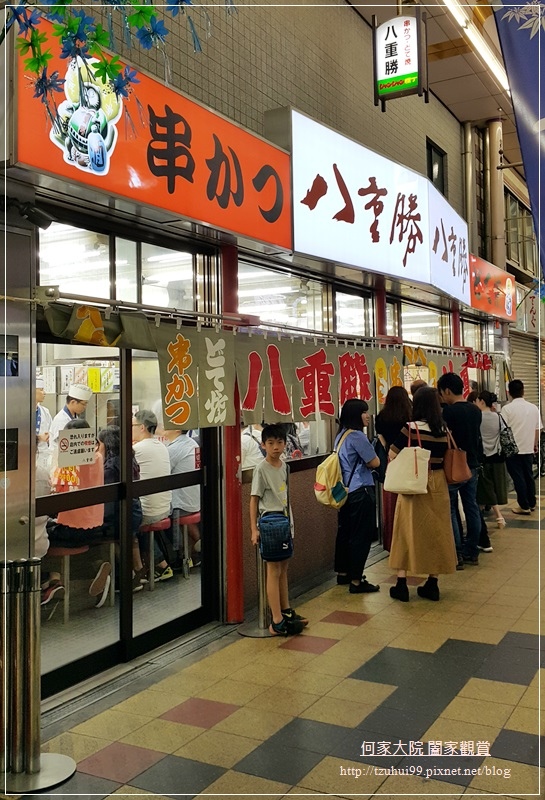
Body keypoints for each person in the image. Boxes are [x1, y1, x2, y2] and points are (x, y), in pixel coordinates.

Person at [389, 387, 456, 602]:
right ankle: (432, 583)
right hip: (437, 483)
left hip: (413, 483)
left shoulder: (410, 429)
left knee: (405, 530)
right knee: (437, 531)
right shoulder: (443, 430)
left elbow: (392, 455)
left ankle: (401, 584)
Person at [44, 419, 111, 609]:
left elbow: (57, 490)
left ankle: (55, 581)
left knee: (38, 538)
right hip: (96, 524)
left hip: (72, 528)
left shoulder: (70, 461)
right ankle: (95, 566)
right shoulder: (97, 457)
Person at [250, 423, 307, 636]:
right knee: (273, 570)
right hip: (269, 522)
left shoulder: (284, 466)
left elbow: (286, 496)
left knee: (283, 568)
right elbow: (253, 500)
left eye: (280, 442)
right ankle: (276, 620)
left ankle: (286, 610)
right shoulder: (261, 469)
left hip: (284, 521)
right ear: (263, 445)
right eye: (271, 443)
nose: (276, 447)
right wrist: (253, 529)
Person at [334, 399, 380, 593]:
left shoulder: (341, 435)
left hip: (345, 492)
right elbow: (375, 462)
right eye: (364, 412)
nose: (367, 415)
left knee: (345, 533)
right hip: (361, 490)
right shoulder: (358, 437)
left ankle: (343, 573)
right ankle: (356, 581)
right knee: (361, 536)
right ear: (355, 415)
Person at [437, 372, 483, 567]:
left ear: (447, 390)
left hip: (454, 466)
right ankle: (472, 550)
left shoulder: (448, 413)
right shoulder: (475, 410)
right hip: (472, 464)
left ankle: (457, 553)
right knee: (472, 506)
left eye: (441, 392)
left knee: (451, 510)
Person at [97, 426, 146, 591]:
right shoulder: (128, 458)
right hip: (135, 511)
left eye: (99, 443)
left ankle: (126, 575)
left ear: (106, 445)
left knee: (106, 535)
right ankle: (138, 571)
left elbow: (109, 505)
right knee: (129, 536)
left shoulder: (110, 467)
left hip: (122, 514)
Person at [132, 409, 173, 581]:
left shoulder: (137, 449)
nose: (131, 428)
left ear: (142, 427)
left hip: (149, 512)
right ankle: (158, 566)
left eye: (133, 425)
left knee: (129, 523)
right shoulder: (162, 446)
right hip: (166, 507)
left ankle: (152, 567)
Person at [375, 386, 412, 552]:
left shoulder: (382, 416)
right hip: (410, 462)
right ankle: (409, 541)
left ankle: (392, 542)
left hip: (392, 460)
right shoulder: (410, 415)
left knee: (391, 502)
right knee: (409, 502)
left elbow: (381, 440)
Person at [500, 379, 542, 514]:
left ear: (509, 393)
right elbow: (537, 429)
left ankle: (524, 506)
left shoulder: (506, 409)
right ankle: (532, 503)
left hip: (512, 449)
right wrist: (535, 444)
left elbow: (502, 429)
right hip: (529, 447)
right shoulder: (533, 407)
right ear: (523, 391)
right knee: (528, 476)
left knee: (518, 477)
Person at [163, 428, 202, 568]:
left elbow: (163, 471)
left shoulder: (175, 448)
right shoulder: (192, 443)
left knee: (163, 516)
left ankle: (182, 556)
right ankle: (193, 553)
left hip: (182, 502)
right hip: (195, 498)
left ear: (177, 429)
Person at [475, 391, 508, 530]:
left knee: (486, 486)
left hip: (483, 457)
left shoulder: (477, 418)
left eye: (477, 400)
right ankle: (490, 513)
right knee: (495, 485)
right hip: (497, 455)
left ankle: (498, 516)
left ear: (482, 401)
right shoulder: (498, 417)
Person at [49, 383, 93, 450]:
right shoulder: (61, 420)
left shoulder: (74, 417)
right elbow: (62, 446)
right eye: (83, 404)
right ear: (73, 402)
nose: (85, 407)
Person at [35, 377, 52, 473]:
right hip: (26, 457)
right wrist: (37, 438)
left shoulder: (45, 412)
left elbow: (51, 431)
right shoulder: (22, 412)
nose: (44, 393)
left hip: (44, 456)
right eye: (41, 390)